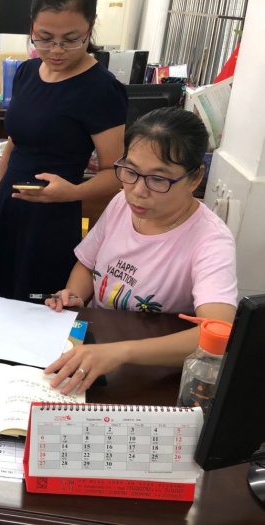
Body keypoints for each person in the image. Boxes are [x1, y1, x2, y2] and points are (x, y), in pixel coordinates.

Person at [44, 107, 237, 395]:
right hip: (95, 356)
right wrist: (74, 296)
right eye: (131, 172)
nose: (137, 191)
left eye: (158, 179)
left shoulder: (211, 240)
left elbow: (218, 333)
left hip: (153, 375)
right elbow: (87, 263)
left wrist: (121, 352)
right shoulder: (121, 204)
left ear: (195, 178)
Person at [0, 0, 127, 301]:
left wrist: (70, 193)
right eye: (44, 38)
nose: (56, 50)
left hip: (50, 220)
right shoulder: (27, 72)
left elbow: (116, 173)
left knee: (38, 307)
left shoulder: (101, 89)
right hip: (8, 208)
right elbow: (13, 148)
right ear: (32, 27)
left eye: (71, 40)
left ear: (90, 28)